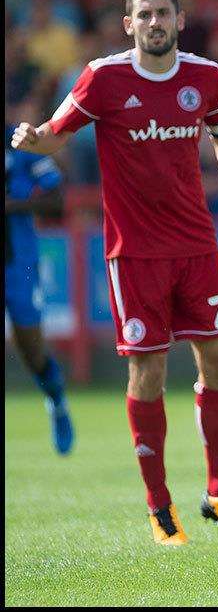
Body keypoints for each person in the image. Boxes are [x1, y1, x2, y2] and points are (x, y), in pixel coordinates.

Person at [11, 0, 218, 546]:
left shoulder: (204, 78)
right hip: (133, 252)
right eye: (144, 15)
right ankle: (160, 508)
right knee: (148, 369)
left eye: (163, 13)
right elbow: (57, 133)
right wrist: (33, 138)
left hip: (196, 244)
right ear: (128, 25)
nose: (155, 23)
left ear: (180, 20)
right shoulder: (104, 78)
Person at [5, 124, 74, 455]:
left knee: (31, 348)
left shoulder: (16, 141)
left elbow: (56, 199)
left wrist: (12, 205)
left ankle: (56, 400)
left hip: (18, 262)